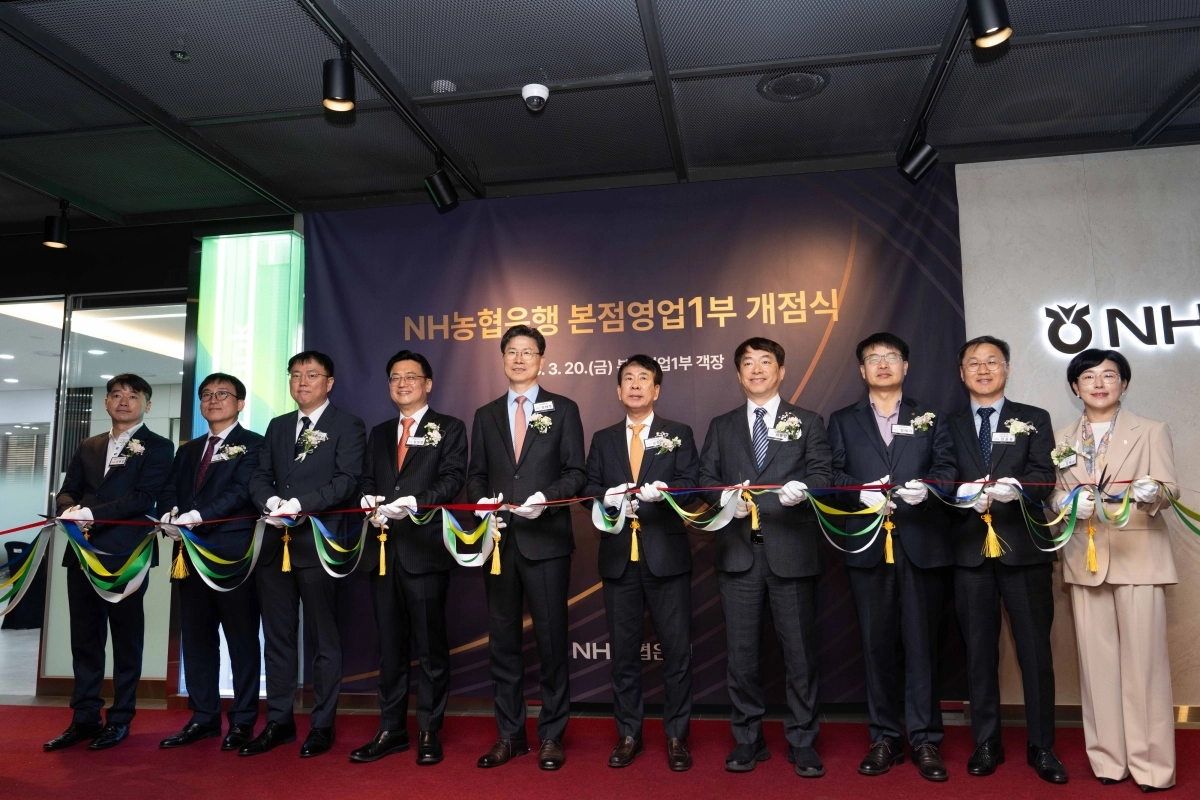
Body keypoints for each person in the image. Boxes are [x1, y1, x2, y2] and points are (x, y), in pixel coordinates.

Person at [698, 337, 833, 777]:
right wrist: (724, 500)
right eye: (748, 363)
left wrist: (805, 491)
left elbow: (823, 475)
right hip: (738, 553)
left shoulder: (807, 421)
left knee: (800, 654)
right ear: (739, 374)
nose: (757, 369)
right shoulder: (722, 425)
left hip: (791, 551)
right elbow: (705, 478)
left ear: (781, 371)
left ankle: (802, 740)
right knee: (741, 656)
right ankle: (747, 739)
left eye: (765, 362)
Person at [826, 333, 955, 781]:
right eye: (873, 358)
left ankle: (925, 739)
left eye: (891, 357)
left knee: (922, 647)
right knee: (875, 645)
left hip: (921, 543)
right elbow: (831, 475)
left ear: (906, 366)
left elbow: (947, 469)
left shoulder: (929, 417)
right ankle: (884, 737)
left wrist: (929, 489)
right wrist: (857, 492)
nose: (882, 364)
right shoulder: (843, 420)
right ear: (862, 370)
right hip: (867, 545)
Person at [1051, 349, 1178, 791]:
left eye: (1109, 375)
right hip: (1085, 556)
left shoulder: (1151, 429)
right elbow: (1054, 495)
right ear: (1075, 387)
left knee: (1145, 665)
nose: (1099, 383)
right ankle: (1108, 760)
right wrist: (1069, 502)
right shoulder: (1062, 437)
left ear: (1124, 383)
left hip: (1138, 556)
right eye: (1089, 377)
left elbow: (1169, 489)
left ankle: (1152, 767)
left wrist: (1153, 492)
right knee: (1096, 666)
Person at [947, 336, 1067, 783]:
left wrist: (1016, 488)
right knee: (979, 653)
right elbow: (941, 474)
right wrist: (961, 492)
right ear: (962, 373)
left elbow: (1044, 476)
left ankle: (1042, 746)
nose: (983, 370)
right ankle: (987, 742)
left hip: (1024, 550)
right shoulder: (948, 424)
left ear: (1007, 368)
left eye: (992, 362)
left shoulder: (1034, 418)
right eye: (973, 363)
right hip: (969, 551)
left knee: (1035, 652)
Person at [466, 325, 586, 771]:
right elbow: (476, 475)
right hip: (500, 542)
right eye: (511, 352)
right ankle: (510, 735)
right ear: (502, 359)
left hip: (546, 540)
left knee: (552, 642)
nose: (519, 359)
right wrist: (481, 502)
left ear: (541, 360)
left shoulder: (564, 409)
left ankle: (552, 735)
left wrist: (546, 499)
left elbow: (576, 473)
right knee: (503, 644)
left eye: (527, 352)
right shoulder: (486, 414)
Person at [243, 351, 366, 758]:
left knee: (323, 640)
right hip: (275, 546)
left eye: (312, 375)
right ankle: (278, 721)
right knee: (278, 638)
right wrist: (270, 502)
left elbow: (347, 480)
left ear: (329, 382)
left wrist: (300, 505)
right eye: (295, 375)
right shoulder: (278, 425)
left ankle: (322, 725)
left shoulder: (347, 424)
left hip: (318, 545)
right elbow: (259, 476)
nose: (302, 382)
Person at [44, 374, 174, 752]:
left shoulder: (158, 446)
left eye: (133, 396)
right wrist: (69, 509)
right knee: (85, 639)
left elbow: (144, 497)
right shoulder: (89, 444)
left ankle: (120, 718)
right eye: (116, 395)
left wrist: (91, 514)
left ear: (147, 404)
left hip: (127, 555)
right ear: (106, 403)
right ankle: (84, 717)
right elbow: (68, 489)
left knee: (126, 639)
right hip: (82, 552)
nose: (123, 401)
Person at [583, 354, 698, 772]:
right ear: (618, 390)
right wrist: (608, 499)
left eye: (643, 378)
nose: (635, 385)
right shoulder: (603, 438)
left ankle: (676, 737)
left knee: (676, 654)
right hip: (619, 559)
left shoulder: (678, 433)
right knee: (624, 656)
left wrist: (667, 492)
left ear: (656, 389)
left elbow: (692, 486)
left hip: (666, 557)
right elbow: (589, 489)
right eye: (628, 379)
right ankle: (629, 734)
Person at [351, 350, 466, 766]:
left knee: (431, 648)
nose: (402, 384)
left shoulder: (449, 428)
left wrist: (415, 502)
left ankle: (430, 730)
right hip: (383, 551)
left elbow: (452, 478)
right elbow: (366, 478)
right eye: (395, 377)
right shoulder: (380, 432)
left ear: (428, 384)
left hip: (425, 551)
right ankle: (392, 729)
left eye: (411, 377)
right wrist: (367, 499)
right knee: (390, 647)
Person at [156, 373, 264, 753]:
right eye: (206, 394)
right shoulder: (188, 450)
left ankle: (243, 720)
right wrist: (169, 515)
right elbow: (170, 489)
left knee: (242, 640)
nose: (213, 400)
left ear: (240, 403)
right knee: (197, 639)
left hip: (232, 556)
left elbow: (241, 491)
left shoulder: (254, 444)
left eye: (222, 394)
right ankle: (203, 717)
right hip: (187, 555)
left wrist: (198, 516)